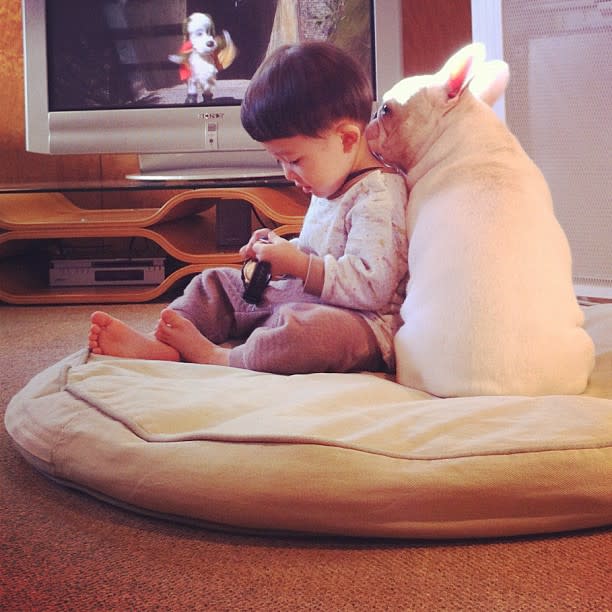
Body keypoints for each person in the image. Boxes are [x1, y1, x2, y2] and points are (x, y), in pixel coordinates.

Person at [88, 41, 409, 374]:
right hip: (307, 296)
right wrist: (281, 253)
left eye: (295, 160)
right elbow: (322, 249)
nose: (288, 173)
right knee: (215, 283)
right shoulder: (333, 177)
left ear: (346, 139)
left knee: (304, 332)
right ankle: (165, 345)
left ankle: (220, 358)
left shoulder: (378, 197)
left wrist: (299, 263)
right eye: (279, 161)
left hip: (360, 322)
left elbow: (372, 288)